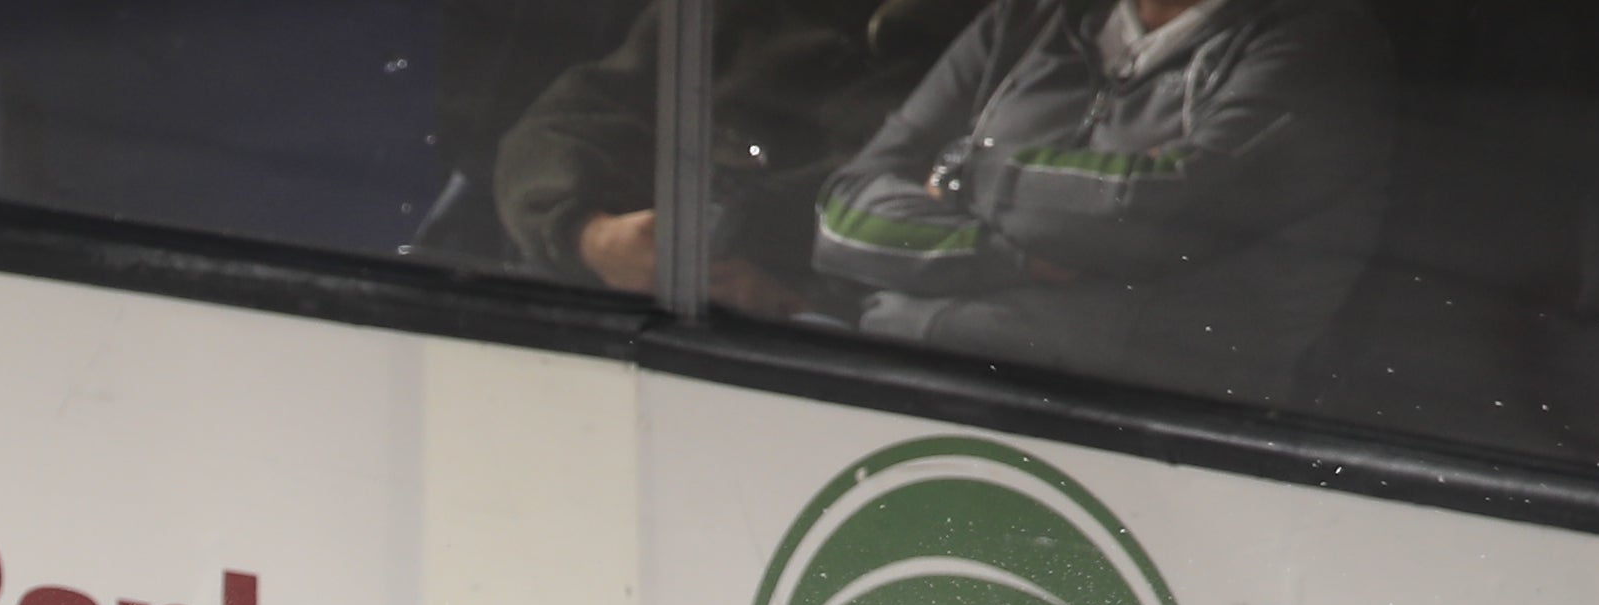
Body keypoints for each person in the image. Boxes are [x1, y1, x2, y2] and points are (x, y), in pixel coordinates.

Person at [807, 0, 1395, 398]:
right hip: (920, 370)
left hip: (1155, 425)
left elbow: (1150, 219)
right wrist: (1001, 253)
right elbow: (844, 209)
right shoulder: (1029, 21)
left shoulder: (1319, 42)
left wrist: (964, 176)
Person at [496, 0, 984, 318]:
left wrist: (801, 308)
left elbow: (987, 253)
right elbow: (569, 122)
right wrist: (592, 236)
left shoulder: (1006, 51)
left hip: (831, 367)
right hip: (628, 315)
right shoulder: (730, 13)